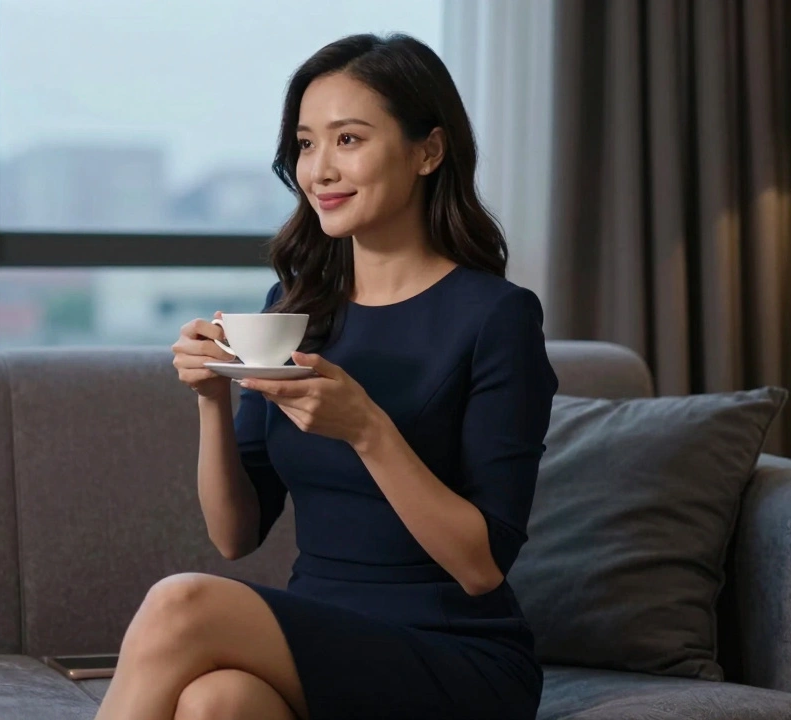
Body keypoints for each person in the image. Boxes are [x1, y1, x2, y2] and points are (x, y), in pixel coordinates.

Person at [94, 32, 558, 720]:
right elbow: (235, 536)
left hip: (456, 653)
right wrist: (212, 398)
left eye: (348, 139)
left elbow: (483, 565)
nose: (320, 170)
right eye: (306, 144)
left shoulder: (497, 317)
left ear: (428, 151)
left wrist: (367, 430)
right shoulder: (293, 309)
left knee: (181, 603)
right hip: (323, 636)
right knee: (216, 702)